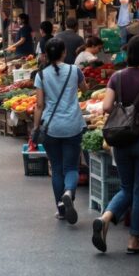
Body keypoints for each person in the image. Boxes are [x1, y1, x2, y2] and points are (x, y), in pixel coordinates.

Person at [92, 36, 139, 254]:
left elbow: (107, 106)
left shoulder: (117, 77)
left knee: (126, 187)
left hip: (122, 139)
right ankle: (134, 241)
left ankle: (105, 218)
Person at [31, 38, 88, 224]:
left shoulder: (41, 75)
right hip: (73, 125)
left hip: (51, 127)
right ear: (64, 52)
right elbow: (85, 90)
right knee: (71, 167)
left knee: (56, 169)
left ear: (46, 55)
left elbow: (39, 105)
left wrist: (35, 127)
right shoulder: (74, 70)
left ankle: (61, 210)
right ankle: (69, 192)